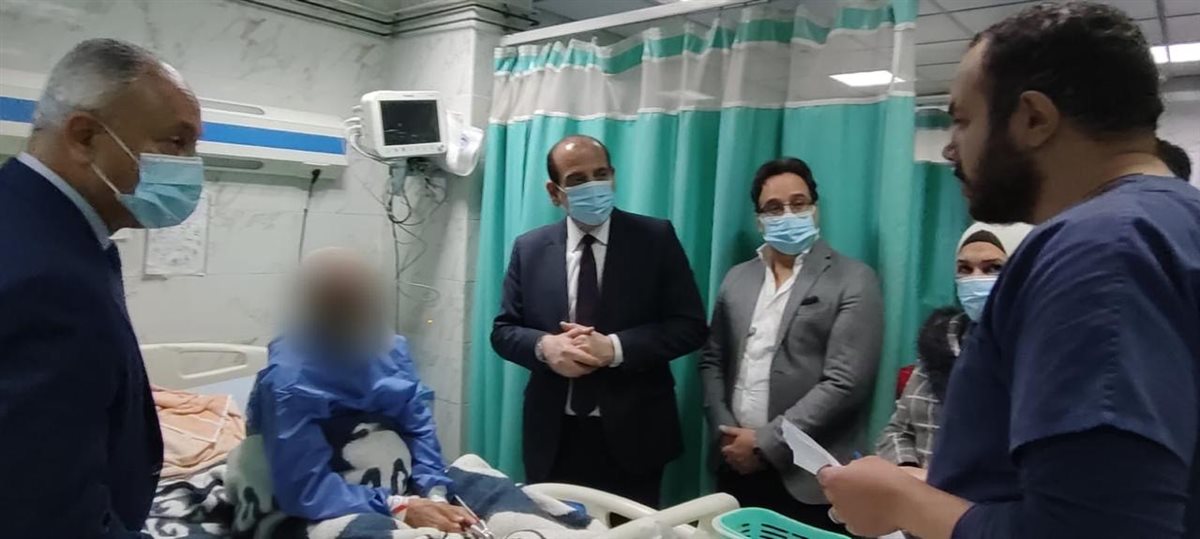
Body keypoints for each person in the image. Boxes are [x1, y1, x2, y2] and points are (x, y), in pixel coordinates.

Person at [817, 3, 1200, 538]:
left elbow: (1095, 530)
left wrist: (902, 502)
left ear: (1034, 119)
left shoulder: (1101, 252)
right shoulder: (1173, 225)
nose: (950, 146)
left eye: (962, 120)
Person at [0, 39, 204, 537]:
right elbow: (48, 517)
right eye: (176, 143)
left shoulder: (34, 221)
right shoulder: (49, 280)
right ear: (85, 136)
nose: (192, 165)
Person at [491, 135, 708, 507]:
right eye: (577, 180)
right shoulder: (530, 248)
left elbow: (690, 326)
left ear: (613, 176)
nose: (593, 186)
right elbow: (504, 331)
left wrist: (614, 348)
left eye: (600, 174)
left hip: (636, 435)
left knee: (632, 531)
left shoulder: (655, 239)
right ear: (554, 192)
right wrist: (545, 347)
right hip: (554, 435)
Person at [698, 157, 883, 531]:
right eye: (774, 208)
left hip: (808, 476)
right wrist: (727, 434)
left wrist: (764, 443)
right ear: (759, 219)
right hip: (734, 464)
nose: (787, 214)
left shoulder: (853, 279)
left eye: (798, 204)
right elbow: (712, 360)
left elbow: (845, 382)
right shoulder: (737, 278)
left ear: (815, 208)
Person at [241, 248, 474, 533]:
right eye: (339, 300)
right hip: (323, 499)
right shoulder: (290, 381)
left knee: (484, 487)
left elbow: (419, 428)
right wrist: (400, 507)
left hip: (397, 483)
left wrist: (435, 493)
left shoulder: (391, 350)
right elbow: (305, 490)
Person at [876, 228, 1020, 477]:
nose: (975, 280)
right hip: (916, 494)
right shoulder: (942, 341)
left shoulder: (1036, 353)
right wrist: (908, 470)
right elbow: (898, 430)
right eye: (965, 269)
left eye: (993, 268)